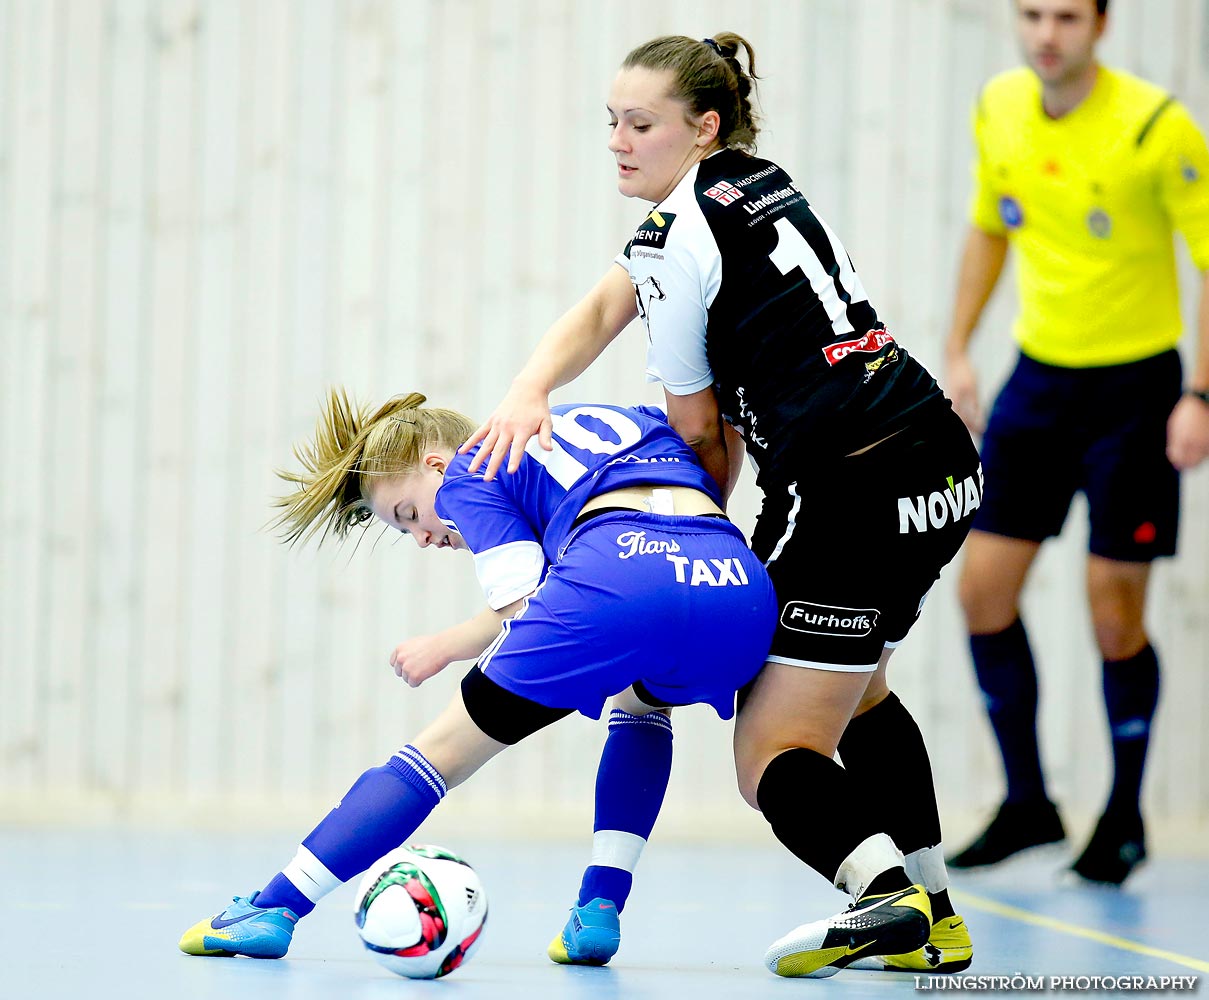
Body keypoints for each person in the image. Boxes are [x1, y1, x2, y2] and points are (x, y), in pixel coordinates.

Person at [462, 33, 981, 978]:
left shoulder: (673, 240)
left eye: (640, 124)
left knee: (771, 748)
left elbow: (702, 439)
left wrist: (676, 551)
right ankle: (938, 916)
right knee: (858, 689)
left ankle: (882, 896)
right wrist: (527, 388)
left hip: (848, 483)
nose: (617, 141)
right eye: (610, 121)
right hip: (940, 461)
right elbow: (602, 304)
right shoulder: (750, 179)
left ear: (701, 127)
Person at [178, 389, 777, 961]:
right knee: (642, 706)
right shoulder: (628, 420)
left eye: (411, 513)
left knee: (436, 756)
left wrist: (445, 646)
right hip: (740, 593)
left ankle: (273, 909)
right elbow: (715, 433)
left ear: (437, 464)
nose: (421, 537)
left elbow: (529, 607)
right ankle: (598, 908)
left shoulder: (471, 468)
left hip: (618, 575)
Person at [942, 0, 1209, 886]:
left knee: (1110, 610)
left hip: (1137, 390)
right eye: (1030, 14)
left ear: (1099, 24)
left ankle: (1124, 817)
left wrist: (1198, 394)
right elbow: (991, 225)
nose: (1045, 33)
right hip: (1039, 382)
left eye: (1064, 16)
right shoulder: (999, 106)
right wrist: (956, 349)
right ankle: (1027, 804)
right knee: (980, 593)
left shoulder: (1155, 128)